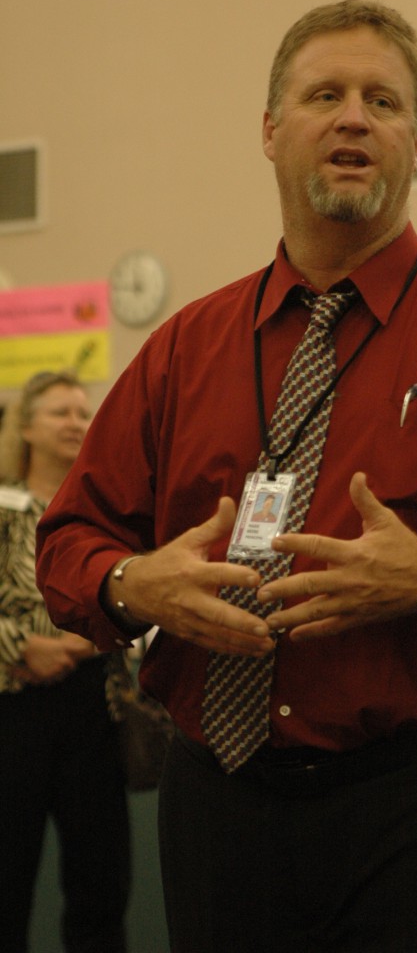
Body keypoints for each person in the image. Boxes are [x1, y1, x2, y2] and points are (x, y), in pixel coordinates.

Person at [36, 0, 417, 953]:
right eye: (325, 95)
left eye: (382, 100)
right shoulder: (181, 351)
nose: (354, 118)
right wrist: (129, 585)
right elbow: (70, 543)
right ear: (272, 133)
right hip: (220, 805)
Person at [0, 371, 130, 953]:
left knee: (101, 888)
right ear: (24, 426)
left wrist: (84, 641)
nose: (77, 422)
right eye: (60, 412)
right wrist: (20, 648)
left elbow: (138, 600)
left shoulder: (108, 517)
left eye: (83, 412)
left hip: (93, 711)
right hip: (12, 711)